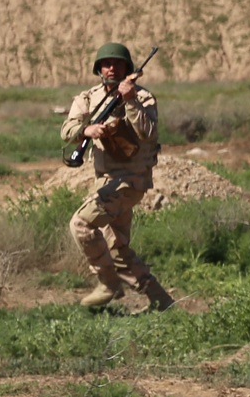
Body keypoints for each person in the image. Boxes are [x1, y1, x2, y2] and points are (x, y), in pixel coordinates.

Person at [60, 43, 173, 311]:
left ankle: (108, 284)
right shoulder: (88, 98)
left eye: (118, 64)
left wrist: (130, 100)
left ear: (128, 69)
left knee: (81, 224)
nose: (112, 68)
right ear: (99, 68)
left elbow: (148, 134)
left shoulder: (143, 98)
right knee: (118, 250)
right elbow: (67, 130)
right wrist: (88, 130)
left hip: (130, 182)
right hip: (106, 181)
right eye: (107, 63)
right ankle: (162, 300)